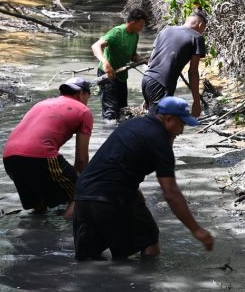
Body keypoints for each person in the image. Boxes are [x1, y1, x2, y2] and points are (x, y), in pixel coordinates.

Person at [72, 96, 214, 260]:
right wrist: (197, 230)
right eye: (181, 124)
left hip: (83, 194)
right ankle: (143, 283)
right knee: (149, 241)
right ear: (168, 119)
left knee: (88, 259)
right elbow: (171, 193)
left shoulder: (132, 125)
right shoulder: (160, 141)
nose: (181, 131)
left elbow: (114, 163)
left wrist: (134, 191)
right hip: (112, 196)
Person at [3, 77, 94, 218]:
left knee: (39, 209)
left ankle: (35, 237)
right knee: (82, 193)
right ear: (82, 93)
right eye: (89, 96)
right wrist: (81, 182)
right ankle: (70, 234)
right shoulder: (84, 111)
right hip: (40, 156)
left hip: (10, 157)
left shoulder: (42, 103)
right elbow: (81, 159)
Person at [140, 12, 208, 116]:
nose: (202, 32)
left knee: (157, 123)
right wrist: (196, 101)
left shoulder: (166, 30)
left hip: (147, 80)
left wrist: (148, 96)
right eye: (203, 29)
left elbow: (151, 60)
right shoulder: (197, 37)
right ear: (200, 25)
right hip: (162, 84)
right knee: (159, 126)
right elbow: (193, 72)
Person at [91, 8, 148, 124]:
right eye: (141, 25)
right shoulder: (117, 32)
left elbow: (133, 56)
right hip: (108, 74)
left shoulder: (135, 35)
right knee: (110, 113)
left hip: (121, 75)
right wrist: (106, 63)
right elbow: (95, 46)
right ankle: (106, 135)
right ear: (133, 22)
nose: (142, 29)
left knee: (123, 111)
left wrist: (144, 59)